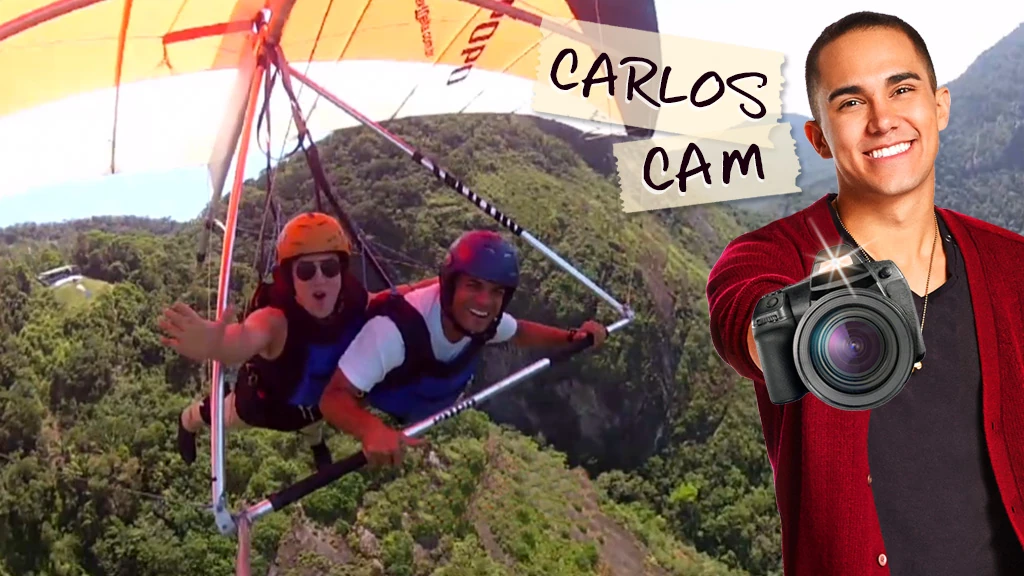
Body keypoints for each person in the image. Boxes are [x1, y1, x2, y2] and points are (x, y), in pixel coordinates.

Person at [705, 11, 1024, 576]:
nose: (883, 120)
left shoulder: (1012, 264)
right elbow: (745, 323)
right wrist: (807, 330)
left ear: (940, 106)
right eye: (851, 102)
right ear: (818, 139)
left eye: (902, 89)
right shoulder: (767, 257)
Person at [160, 212, 433, 471]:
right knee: (219, 416)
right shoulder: (275, 320)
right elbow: (243, 338)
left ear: (341, 272)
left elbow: (398, 299)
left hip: (315, 404)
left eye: (329, 268)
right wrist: (215, 344)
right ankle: (188, 420)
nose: (319, 279)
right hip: (267, 406)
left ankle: (315, 441)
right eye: (306, 271)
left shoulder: (355, 302)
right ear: (290, 279)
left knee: (314, 419)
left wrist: (441, 285)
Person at [317, 229, 608, 467]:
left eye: (496, 291)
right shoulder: (393, 331)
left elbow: (520, 331)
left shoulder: (486, 321)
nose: (484, 302)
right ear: (450, 285)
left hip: (424, 401)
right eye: (473, 285)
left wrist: (572, 337)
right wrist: (370, 429)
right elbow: (332, 397)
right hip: (388, 399)